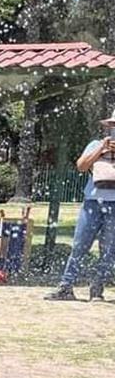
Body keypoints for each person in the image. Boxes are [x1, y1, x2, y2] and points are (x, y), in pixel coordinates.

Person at [45, 110, 115, 302]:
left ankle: (97, 289)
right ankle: (66, 287)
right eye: (113, 125)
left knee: (109, 250)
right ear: (108, 127)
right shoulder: (95, 144)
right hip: (92, 202)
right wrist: (101, 149)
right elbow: (81, 166)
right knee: (79, 245)